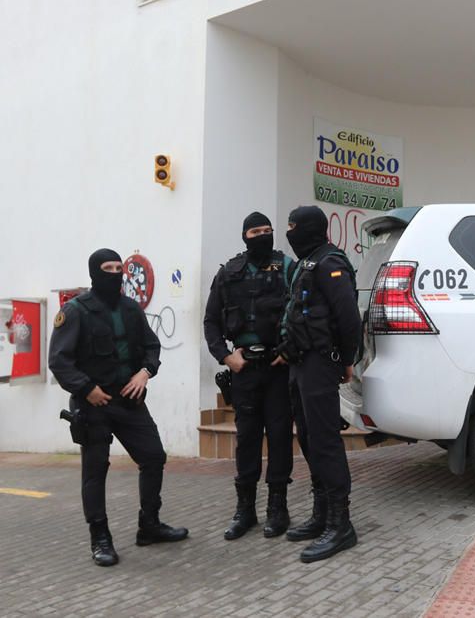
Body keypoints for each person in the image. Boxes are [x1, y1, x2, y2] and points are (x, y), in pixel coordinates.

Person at [49, 249, 188, 567]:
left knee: (154, 457)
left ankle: (149, 526)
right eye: (107, 268)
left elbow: (152, 346)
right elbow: (59, 359)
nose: (115, 273)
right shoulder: (75, 311)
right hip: (93, 404)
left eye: (118, 267)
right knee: (95, 471)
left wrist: (145, 372)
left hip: (129, 401)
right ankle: (100, 538)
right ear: (94, 273)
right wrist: (87, 389)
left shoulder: (131, 308)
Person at [277, 205, 362, 563]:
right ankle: (321, 514)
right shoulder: (306, 263)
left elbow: (347, 317)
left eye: (294, 227)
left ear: (312, 228)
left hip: (320, 363)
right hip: (300, 364)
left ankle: (341, 525)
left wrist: (346, 360)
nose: (290, 233)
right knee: (308, 438)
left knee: (325, 441)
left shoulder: (330, 263)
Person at [204, 212, 295, 540]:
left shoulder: (287, 267)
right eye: (256, 231)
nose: (263, 235)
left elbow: (301, 311)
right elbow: (211, 321)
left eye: (267, 231)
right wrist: (226, 357)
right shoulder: (229, 272)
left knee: (281, 437)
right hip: (244, 370)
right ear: (244, 235)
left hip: (278, 369)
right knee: (247, 440)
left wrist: (289, 351)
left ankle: (278, 507)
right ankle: (245, 510)